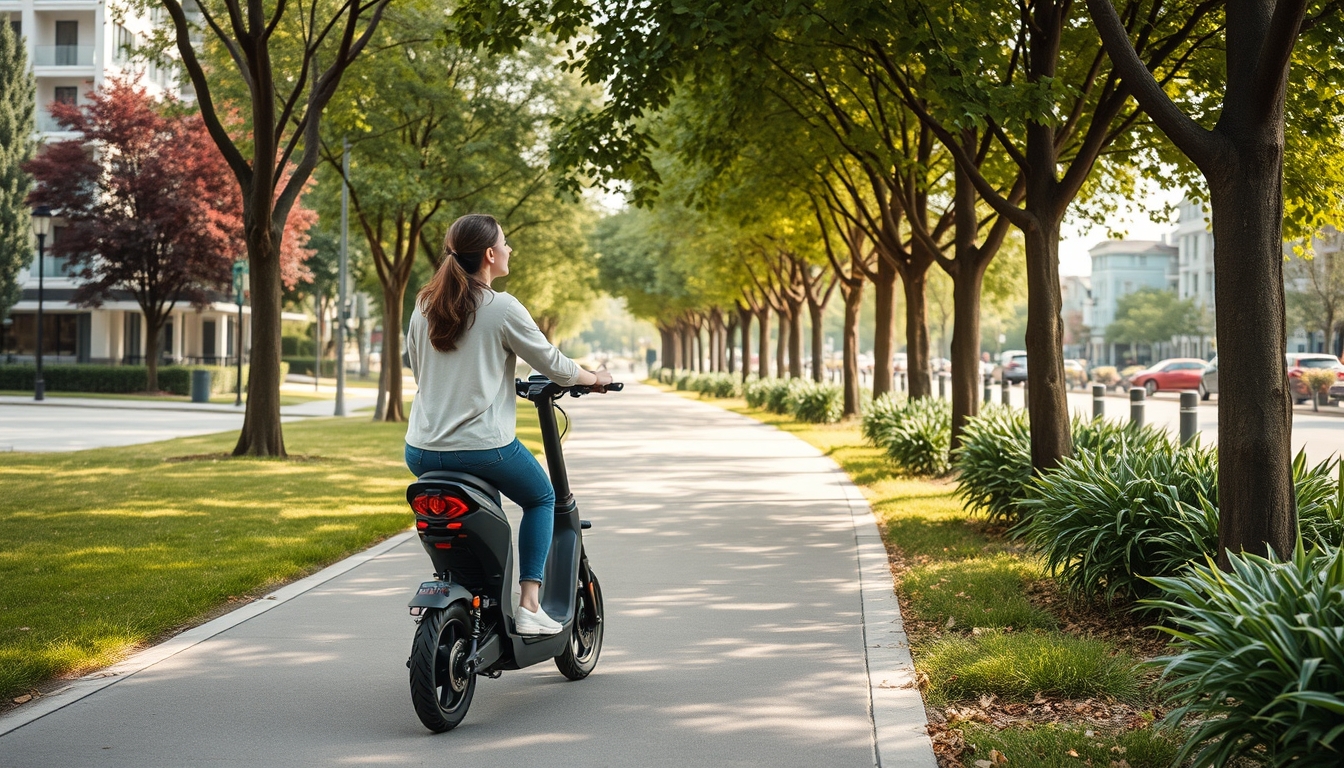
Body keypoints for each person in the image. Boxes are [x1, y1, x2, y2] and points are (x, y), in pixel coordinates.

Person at [404, 213, 612, 636]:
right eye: (505, 243)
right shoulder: (501, 307)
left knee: (486, 510)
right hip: (483, 447)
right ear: (489, 254)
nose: (510, 249)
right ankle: (530, 605)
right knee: (542, 499)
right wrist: (594, 379)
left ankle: (472, 591)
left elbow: (420, 372)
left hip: (421, 449)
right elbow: (554, 364)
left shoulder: (424, 307)